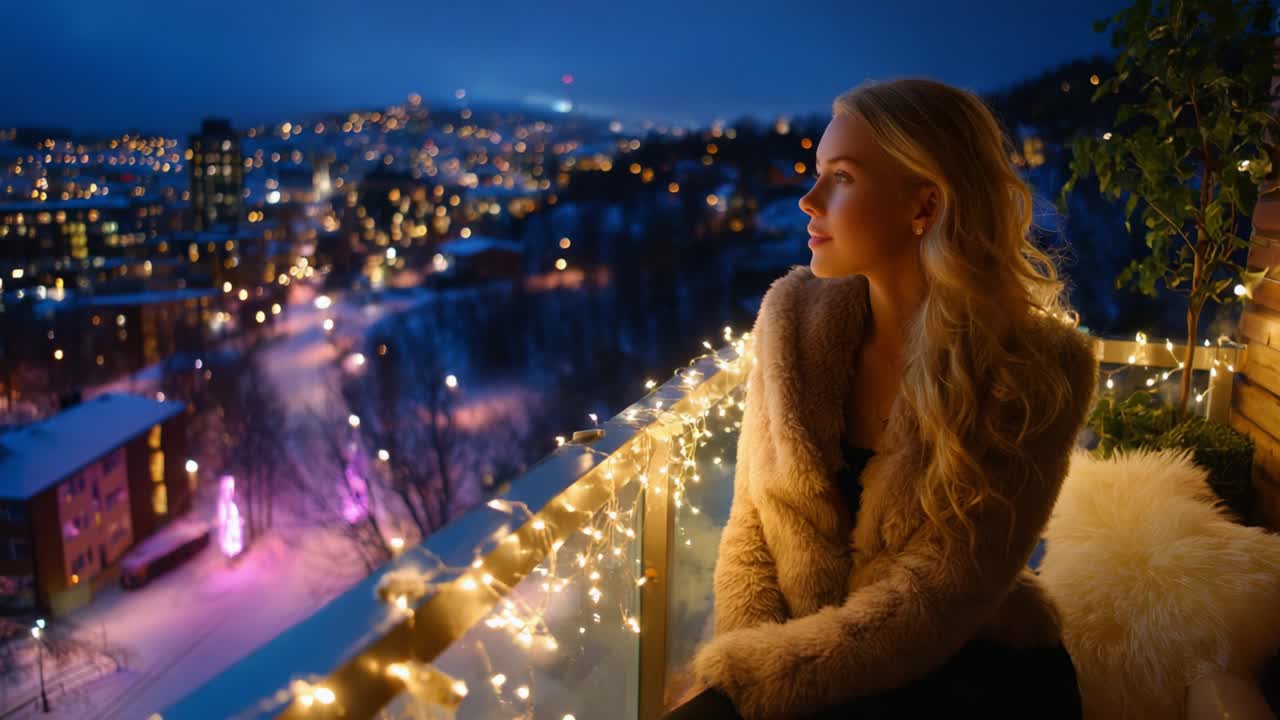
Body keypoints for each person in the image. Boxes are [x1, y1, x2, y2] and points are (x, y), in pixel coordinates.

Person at [663, 78, 1098, 719]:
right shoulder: (789, 325)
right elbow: (750, 525)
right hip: (800, 661)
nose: (808, 200)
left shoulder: (1033, 372)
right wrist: (749, 660)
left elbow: (941, 589)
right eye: (817, 174)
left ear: (924, 205)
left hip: (965, 667)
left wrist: (769, 679)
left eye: (842, 177)